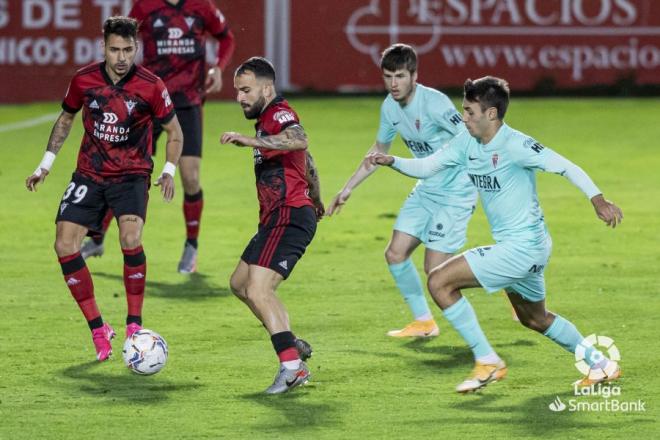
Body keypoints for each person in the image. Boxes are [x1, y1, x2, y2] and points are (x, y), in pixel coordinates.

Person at [368, 76, 623, 392]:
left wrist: (597, 199)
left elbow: (564, 165)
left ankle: (488, 360)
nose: (464, 118)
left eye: (470, 112)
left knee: (439, 280)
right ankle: (601, 365)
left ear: (491, 114)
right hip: (527, 248)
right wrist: (391, 160)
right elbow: (428, 166)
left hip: (523, 248)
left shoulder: (516, 144)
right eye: (464, 110)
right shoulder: (466, 142)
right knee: (534, 319)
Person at [25, 16, 183, 361]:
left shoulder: (151, 85)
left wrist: (169, 171)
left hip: (131, 174)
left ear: (136, 48)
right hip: (89, 174)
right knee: (64, 244)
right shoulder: (84, 80)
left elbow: (175, 132)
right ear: (104, 48)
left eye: (128, 50)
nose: (122, 57)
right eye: (115, 50)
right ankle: (99, 328)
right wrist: (45, 164)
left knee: (130, 238)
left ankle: (133, 325)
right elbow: (66, 119)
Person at [326, 44, 476, 338]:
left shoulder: (435, 104)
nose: (393, 84)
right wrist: (348, 188)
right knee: (395, 253)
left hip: (456, 191)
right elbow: (379, 151)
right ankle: (424, 322)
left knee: (436, 272)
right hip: (426, 188)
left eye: (400, 76)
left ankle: (506, 276)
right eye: (387, 76)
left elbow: (469, 138)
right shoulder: (389, 108)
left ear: (414, 76)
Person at [80, 0, 236, 274]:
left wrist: (218, 68)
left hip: (187, 101)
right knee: (120, 168)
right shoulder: (145, 6)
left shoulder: (201, 6)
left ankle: (191, 246)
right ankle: (97, 238)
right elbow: (121, 39)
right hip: (147, 100)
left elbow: (226, 38)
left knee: (191, 177)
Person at [220, 57, 323, 394]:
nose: (240, 97)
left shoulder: (278, 113)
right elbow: (307, 161)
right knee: (239, 283)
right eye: (238, 91)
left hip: (288, 214)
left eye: (246, 90)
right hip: (278, 216)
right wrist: (318, 197)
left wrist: (251, 142)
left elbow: (299, 139)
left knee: (259, 289)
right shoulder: (265, 119)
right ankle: (290, 343)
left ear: (266, 88)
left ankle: (291, 367)